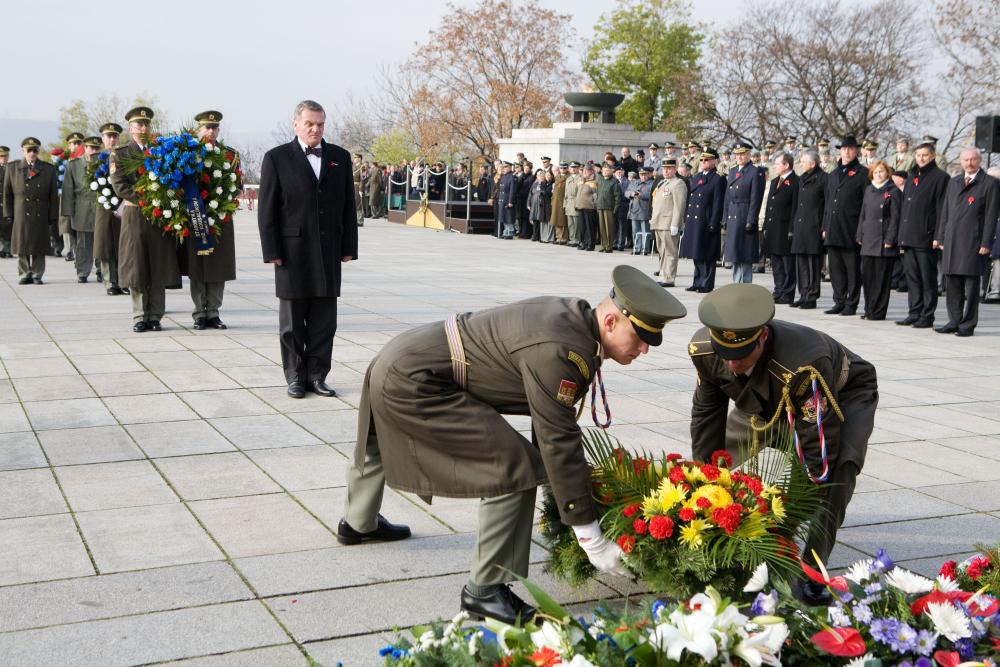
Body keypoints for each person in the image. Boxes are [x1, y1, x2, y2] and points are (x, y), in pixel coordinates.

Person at [340, 265, 687, 623]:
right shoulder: (565, 350)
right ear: (612, 321)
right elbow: (556, 439)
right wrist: (590, 536)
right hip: (416, 379)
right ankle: (485, 591)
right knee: (514, 467)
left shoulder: (577, 320)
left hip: (403, 356)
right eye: (641, 336)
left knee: (378, 440)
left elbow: (551, 422)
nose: (645, 348)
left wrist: (573, 505)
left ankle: (358, 522)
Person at [687, 283, 877, 605]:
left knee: (837, 471)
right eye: (726, 354)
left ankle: (810, 569)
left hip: (840, 396)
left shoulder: (804, 365)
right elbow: (707, 415)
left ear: (762, 336)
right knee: (720, 460)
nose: (732, 364)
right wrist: (704, 485)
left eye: (741, 354)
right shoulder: (706, 350)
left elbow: (817, 453)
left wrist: (785, 526)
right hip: (765, 400)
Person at [257, 99, 359, 397]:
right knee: (292, 321)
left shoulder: (340, 157)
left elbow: (348, 205)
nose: (316, 129)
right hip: (291, 252)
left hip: (328, 250)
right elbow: (267, 210)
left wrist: (348, 246)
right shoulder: (276, 158)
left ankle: (317, 375)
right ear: (296, 125)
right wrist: (271, 250)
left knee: (325, 320)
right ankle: (295, 376)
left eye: (320, 124)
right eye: (310, 124)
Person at [110, 107, 181, 332]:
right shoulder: (120, 154)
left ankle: (156, 315)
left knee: (158, 265)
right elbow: (119, 185)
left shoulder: (160, 152)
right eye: (138, 124)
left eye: (146, 124)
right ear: (130, 128)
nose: (143, 128)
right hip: (135, 215)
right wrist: (148, 198)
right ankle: (140, 315)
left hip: (159, 216)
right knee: (137, 266)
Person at [933, 148, 1000, 337]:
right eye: (965, 160)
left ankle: (967, 324)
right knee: (952, 283)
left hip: (974, 241)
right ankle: (953, 321)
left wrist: (986, 242)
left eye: (972, 159)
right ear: (961, 162)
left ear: (979, 161)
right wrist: (940, 237)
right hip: (952, 241)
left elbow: (991, 216)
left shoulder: (989, 183)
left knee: (970, 287)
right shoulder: (954, 182)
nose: (969, 163)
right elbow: (945, 212)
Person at [183, 110, 239, 330]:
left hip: (220, 218)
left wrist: (222, 204)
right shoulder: (188, 154)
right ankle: (199, 312)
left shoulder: (229, 155)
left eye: (214, 127)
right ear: (198, 129)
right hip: (195, 216)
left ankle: (214, 312)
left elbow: (238, 183)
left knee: (218, 266)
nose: (211, 131)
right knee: (198, 266)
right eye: (207, 127)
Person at [896, 140, 950, 328]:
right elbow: (905, 207)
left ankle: (927, 315)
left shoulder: (940, 177)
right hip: (909, 235)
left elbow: (941, 207)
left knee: (927, 278)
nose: (921, 158)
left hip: (926, 236)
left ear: (933, 156)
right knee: (912, 277)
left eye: (925, 155)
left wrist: (937, 236)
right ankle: (914, 312)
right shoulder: (912, 175)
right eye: (918, 155)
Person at [823, 136, 868, 316]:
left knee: (852, 270)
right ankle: (839, 300)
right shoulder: (833, 174)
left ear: (856, 151)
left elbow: (866, 204)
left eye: (850, 149)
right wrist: (825, 227)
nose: (847, 152)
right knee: (836, 269)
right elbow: (827, 203)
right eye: (843, 149)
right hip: (833, 228)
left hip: (851, 228)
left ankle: (852, 302)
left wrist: (862, 230)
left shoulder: (863, 173)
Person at [3, 137, 58, 284]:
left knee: (39, 245)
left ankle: (37, 274)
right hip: (21, 211)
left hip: (40, 211)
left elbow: (53, 195)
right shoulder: (13, 168)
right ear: (23, 151)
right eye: (29, 150)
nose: (32, 153)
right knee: (22, 244)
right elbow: (7, 193)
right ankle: (24, 274)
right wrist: (8, 213)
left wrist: (53, 215)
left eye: (35, 150)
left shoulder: (48, 169)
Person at [855, 161, 901, 321]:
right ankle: (869, 309)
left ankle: (878, 312)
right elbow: (863, 213)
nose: (878, 175)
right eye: (875, 172)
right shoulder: (869, 190)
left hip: (884, 241)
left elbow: (895, 218)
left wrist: (891, 238)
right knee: (867, 278)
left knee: (881, 280)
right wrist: (859, 234)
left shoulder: (893, 191)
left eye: (881, 172)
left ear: (887, 173)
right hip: (868, 238)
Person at [679, 147, 726, 293]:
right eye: (702, 160)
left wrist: (714, 222)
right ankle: (697, 281)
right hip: (695, 220)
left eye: (706, 160)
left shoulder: (718, 179)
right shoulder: (697, 176)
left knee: (708, 255)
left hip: (707, 220)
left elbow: (718, 202)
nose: (703, 162)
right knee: (696, 253)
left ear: (714, 161)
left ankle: (706, 283)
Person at [723, 142, 767, 283]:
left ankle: (745, 284)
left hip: (745, 215)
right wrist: (724, 218)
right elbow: (727, 198)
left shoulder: (755, 172)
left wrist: (751, 220)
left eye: (743, 153)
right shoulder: (732, 171)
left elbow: (756, 199)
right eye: (737, 154)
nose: (740, 157)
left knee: (745, 254)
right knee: (735, 254)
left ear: (749, 154)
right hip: (733, 215)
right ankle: (737, 283)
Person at [61, 135, 101, 283]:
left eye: (97, 148)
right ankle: (83, 271)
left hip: (101, 206)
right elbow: (67, 189)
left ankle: (101, 270)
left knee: (101, 241)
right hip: (81, 207)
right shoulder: (74, 164)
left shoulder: (105, 162)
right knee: (83, 243)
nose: (94, 151)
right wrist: (67, 213)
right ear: (85, 148)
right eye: (91, 148)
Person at [790, 150, 826, 310]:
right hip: (800, 226)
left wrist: (824, 226)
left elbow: (826, 206)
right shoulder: (801, 179)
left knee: (812, 263)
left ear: (813, 163)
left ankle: (811, 296)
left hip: (814, 226)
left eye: (803, 161)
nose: (801, 164)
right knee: (801, 262)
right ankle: (803, 293)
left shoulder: (823, 178)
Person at [93, 123, 126, 295]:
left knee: (122, 244)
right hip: (104, 209)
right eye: (108, 136)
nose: (112, 139)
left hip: (123, 206)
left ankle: (123, 281)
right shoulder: (95, 159)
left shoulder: (124, 156)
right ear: (102, 139)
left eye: (114, 136)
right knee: (106, 245)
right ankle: (110, 282)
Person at [763, 153, 799, 304]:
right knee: (776, 262)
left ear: (786, 165)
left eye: (778, 164)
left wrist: (792, 228)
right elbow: (769, 207)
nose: (775, 166)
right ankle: (778, 290)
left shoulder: (795, 182)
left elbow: (795, 207)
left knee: (788, 263)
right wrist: (765, 225)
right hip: (773, 228)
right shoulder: (774, 181)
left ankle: (788, 292)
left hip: (785, 229)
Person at [650, 159, 687, 287]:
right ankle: (663, 274)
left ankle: (669, 277)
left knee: (670, 250)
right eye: (664, 168)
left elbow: (679, 205)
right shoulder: (662, 182)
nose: (665, 170)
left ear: (675, 169)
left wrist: (675, 223)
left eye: (669, 168)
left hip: (668, 222)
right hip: (659, 221)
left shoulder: (678, 183)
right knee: (661, 251)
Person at [596, 163, 623, 253]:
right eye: (604, 170)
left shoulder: (614, 182)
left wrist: (615, 209)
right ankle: (604, 245)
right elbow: (598, 193)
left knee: (609, 228)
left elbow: (618, 197)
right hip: (601, 206)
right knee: (602, 227)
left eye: (607, 170)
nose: (605, 172)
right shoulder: (600, 180)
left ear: (611, 171)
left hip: (609, 208)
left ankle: (609, 246)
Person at [627, 167, 654, 254]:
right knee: (635, 231)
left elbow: (652, 195)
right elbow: (626, 192)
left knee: (645, 231)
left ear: (648, 175)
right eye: (641, 174)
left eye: (644, 174)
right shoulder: (634, 182)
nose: (643, 176)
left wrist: (641, 195)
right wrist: (631, 194)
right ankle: (637, 248)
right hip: (634, 210)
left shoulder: (652, 183)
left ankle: (644, 249)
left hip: (644, 210)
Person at [575, 165, 598, 252]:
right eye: (584, 170)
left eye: (587, 171)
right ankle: (583, 243)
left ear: (592, 171)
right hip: (580, 206)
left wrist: (594, 205)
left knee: (590, 227)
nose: (585, 172)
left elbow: (596, 195)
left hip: (589, 207)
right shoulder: (581, 180)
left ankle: (590, 244)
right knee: (582, 227)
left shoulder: (594, 181)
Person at [527, 169, 552, 243]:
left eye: (542, 176)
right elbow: (530, 194)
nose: (541, 177)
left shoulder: (545, 183)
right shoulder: (534, 184)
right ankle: (535, 235)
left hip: (541, 205)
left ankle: (539, 236)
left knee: (539, 220)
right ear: (537, 177)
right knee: (534, 220)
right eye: (539, 175)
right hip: (534, 204)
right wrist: (528, 203)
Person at [497, 162, 517, 239]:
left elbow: (512, 190)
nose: (503, 169)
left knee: (509, 217)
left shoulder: (512, 177)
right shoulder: (504, 177)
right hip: (503, 199)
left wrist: (510, 201)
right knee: (504, 217)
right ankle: (506, 232)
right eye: (503, 167)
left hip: (508, 200)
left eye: (505, 167)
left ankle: (510, 233)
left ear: (509, 168)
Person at [563, 162, 580, 247]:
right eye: (572, 167)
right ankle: (572, 239)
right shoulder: (568, 179)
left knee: (576, 223)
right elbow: (566, 193)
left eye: (575, 167)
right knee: (570, 223)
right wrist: (564, 204)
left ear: (578, 168)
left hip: (576, 201)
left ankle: (577, 240)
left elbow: (580, 193)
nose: (573, 169)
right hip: (569, 202)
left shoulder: (580, 178)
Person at [550, 163, 568, 244]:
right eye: (561, 168)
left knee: (563, 221)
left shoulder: (568, 177)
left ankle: (563, 238)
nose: (563, 170)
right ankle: (558, 237)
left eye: (564, 168)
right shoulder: (557, 177)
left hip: (563, 201)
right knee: (556, 220)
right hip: (556, 201)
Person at [516, 161, 533, 239]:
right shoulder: (521, 176)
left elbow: (529, 189)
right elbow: (517, 186)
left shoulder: (531, 177)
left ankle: (526, 233)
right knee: (520, 217)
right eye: (525, 168)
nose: (526, 169)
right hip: (520, 200)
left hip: (526, 199)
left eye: (527, 168)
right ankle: (521, 232)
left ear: (530, 169)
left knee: (526, 217)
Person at [0, 146, 10, 258]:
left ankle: (6, 249)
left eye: (4, 156)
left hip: (8, 202)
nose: (3, 158)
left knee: (8, 227)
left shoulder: (12, 169)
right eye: (1, 156)